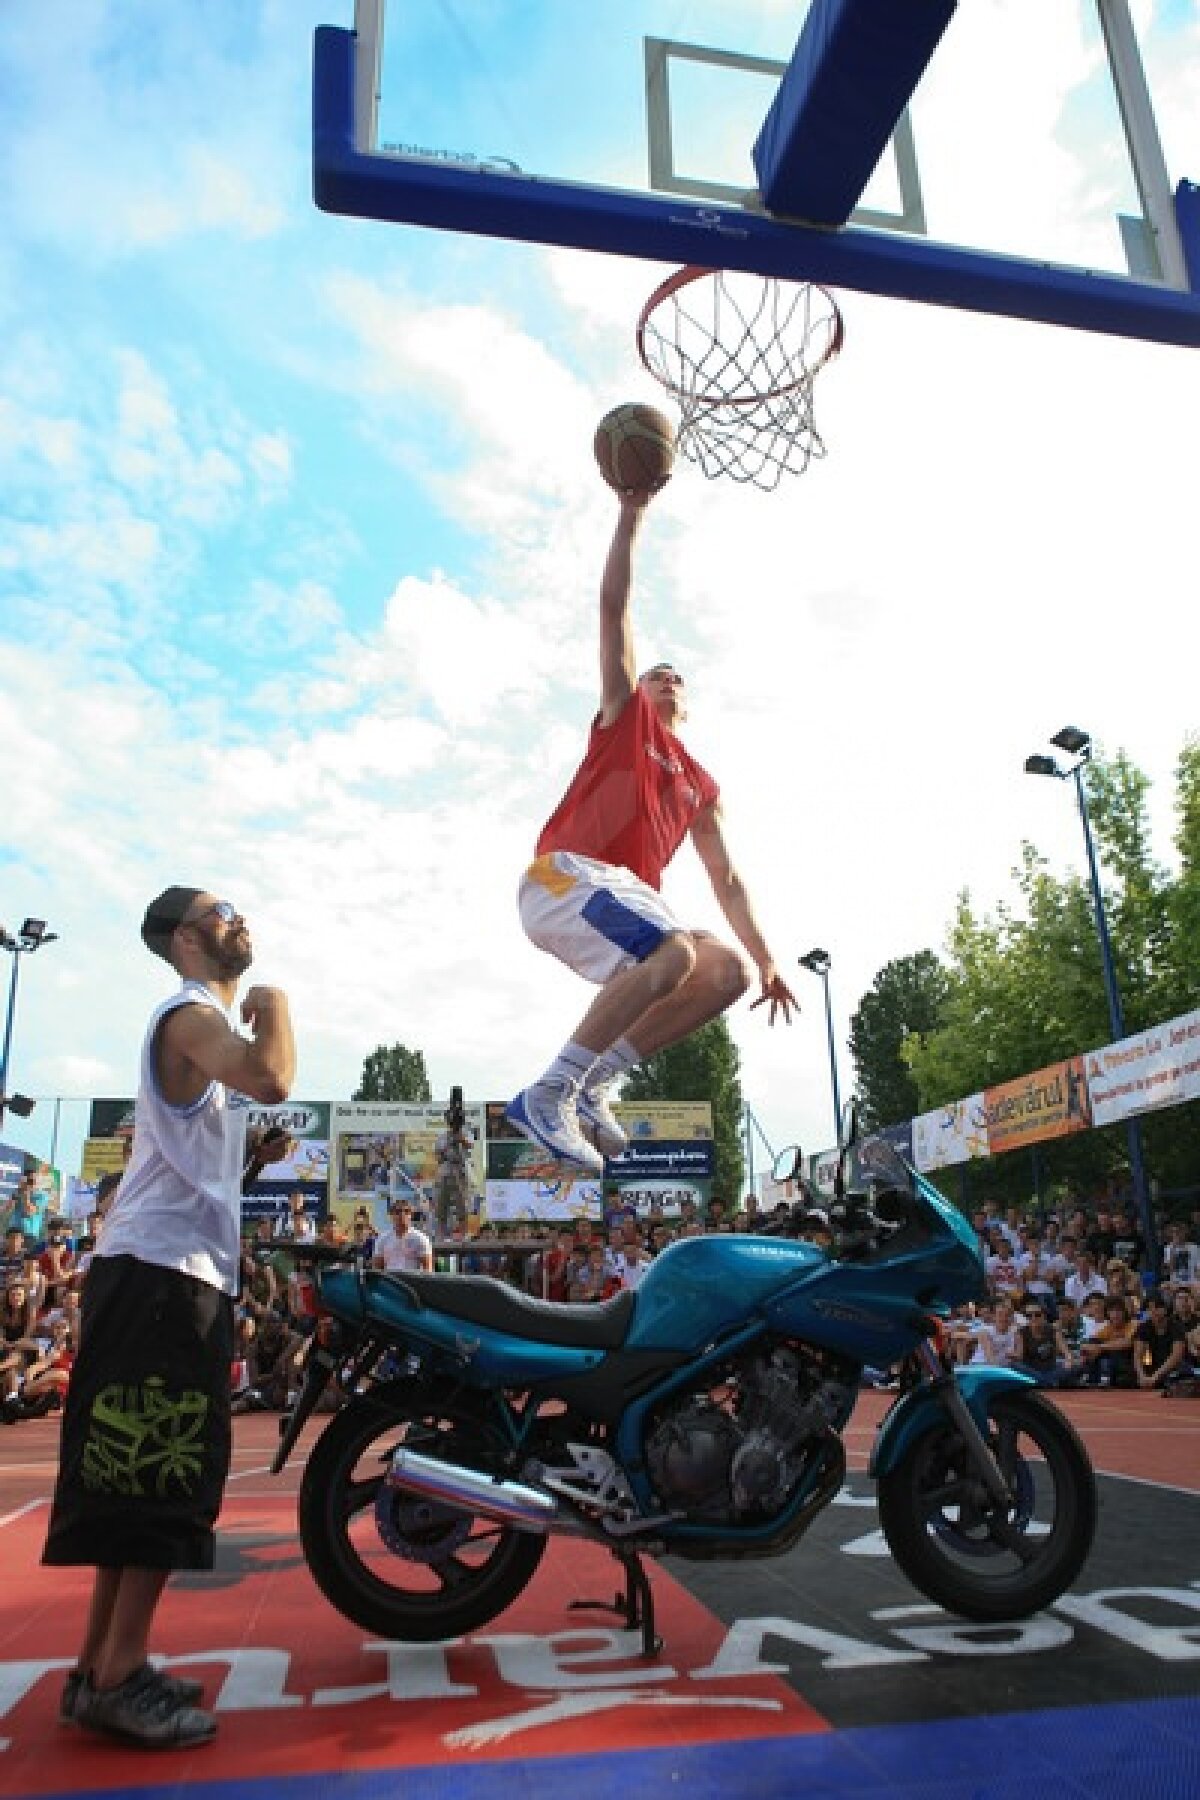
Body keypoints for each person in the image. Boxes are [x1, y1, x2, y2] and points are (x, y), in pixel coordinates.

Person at [42, 886, 295, 1749]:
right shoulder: (190, 1015)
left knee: (130, 1471)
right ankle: (119, 1677)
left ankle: (98, 1666)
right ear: (186, 938)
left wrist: (251, 1158)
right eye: (222, 911)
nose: (239, 918)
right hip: (161, 1277)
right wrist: (277, 1005)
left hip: (159, 1270)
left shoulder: (194, 1031)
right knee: (162, 1466)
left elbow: (199, 1165)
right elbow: (274, 1076)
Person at [506, 491, 797, 1176]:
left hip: (627, 896)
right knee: (671, 952)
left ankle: (594, 1080)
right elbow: (614, 610)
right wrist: (631, 511)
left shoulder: (700, 783)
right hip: (564, 877)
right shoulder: (623, 718)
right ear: (639, 689)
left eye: (676, 678)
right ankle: (548, 1093)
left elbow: (727, 878)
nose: (666, 679)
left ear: (686, 702)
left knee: (724, 970)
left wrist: (769, 959)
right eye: (656, 674)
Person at [374, 1200, 434, 1274]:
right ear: (391, 1215)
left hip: (412, 1279)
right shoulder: (382, 1239)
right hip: (390, 1280)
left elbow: (428, 1270)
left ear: (411, 1215)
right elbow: (377, 1270)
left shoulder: (421, 1239)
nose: (402, 1215)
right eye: (397, 1212)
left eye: (406, 1211)